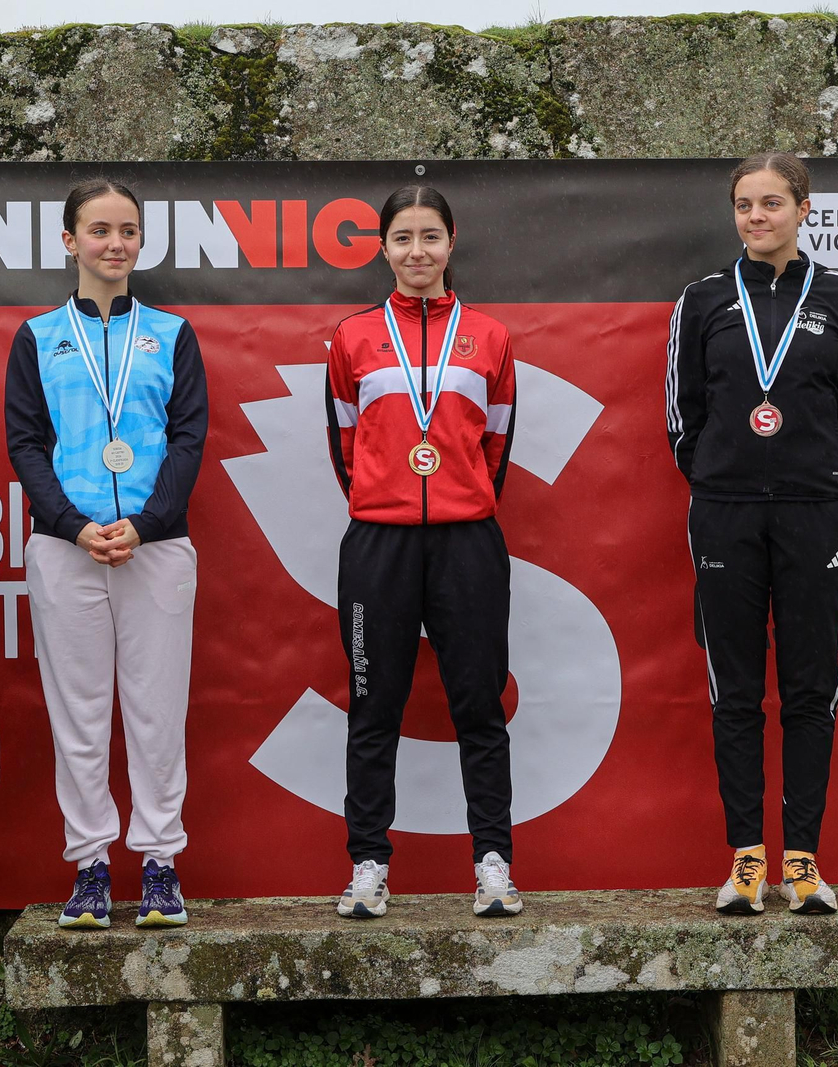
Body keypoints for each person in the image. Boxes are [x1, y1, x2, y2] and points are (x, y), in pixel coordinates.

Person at [665, 152, 838, 916]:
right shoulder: (703, 299)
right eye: (744, 205)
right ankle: (747, 861)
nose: (756, 217)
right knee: (735, 690)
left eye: (772, 203)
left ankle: (804, 862)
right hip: (724, 511)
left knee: (810, 688)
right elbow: (682, 415)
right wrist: (719, 473)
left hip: (812, 511)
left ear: (804, 208)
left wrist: (820, 479)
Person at [5, 178, 207, 930]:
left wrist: (147, 524)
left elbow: (188, 437)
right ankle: (90, 864)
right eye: (99, 230)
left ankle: (159, 863)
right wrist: (70, 523)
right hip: (68, 548)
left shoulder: (173, 333)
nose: (115, 243)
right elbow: (26, 441)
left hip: (157, 546)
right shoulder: (37, 336)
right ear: (70, 241)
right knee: (79, 713)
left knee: (158, 712)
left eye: (128, 230)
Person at [324, 185, 521, 919]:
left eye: (430, 236)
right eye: (403, 238)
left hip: (468, 541)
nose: (417, 251)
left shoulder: (491, 336)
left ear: (451, 242)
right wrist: (389, 499)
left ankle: (493, 864)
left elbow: (496, 442)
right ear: (383, 248)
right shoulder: (352, 337)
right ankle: (368, 864)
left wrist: (459, 498)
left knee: (480, 706)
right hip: (380, 542)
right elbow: (345, 445)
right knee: (374, 706)